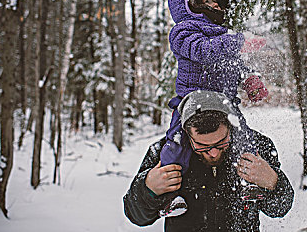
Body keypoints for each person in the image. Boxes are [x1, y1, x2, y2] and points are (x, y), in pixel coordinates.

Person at [159, 0, 269, 214]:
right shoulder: (182, 32)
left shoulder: (224, 35)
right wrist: (237, 42)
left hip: (225, 104)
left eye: (217, 3)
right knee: (176, 143)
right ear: (188, 5)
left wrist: (250, 79)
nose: (215, 7)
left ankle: (247, 182)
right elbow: (203, 51)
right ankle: (170, 196)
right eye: (207, 1)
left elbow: (235, 63)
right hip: (191, 103)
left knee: (244, 138)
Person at [123, 90, 294, 231]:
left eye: (221, 143)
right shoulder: (164, 154)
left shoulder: (257, 147)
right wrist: (148, 189)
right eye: (202, 146)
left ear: (231, 126)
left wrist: (273, 181)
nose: (212, 153)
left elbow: (280, 209)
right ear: (187, 134)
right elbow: (136, 217)